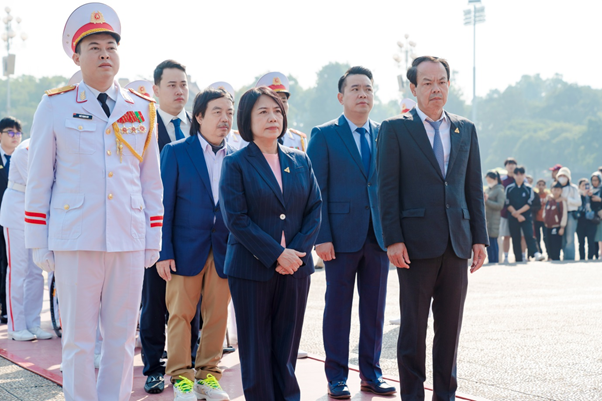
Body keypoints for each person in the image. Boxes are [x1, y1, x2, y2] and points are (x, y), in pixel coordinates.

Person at [25, 4, 163, 400]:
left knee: (121, 339)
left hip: (128, 236)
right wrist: (39, 239)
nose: (105, 54)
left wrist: (152, 236)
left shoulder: (142, 108)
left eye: (111, 47)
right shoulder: (55, 104)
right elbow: (40, 179)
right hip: (75, 238)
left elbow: (150, 181)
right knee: (79, 340)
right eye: (95, 47)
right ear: (76, 56)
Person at [377, 56, 488, 401]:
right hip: (414, 246)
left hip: (457, 243)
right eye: (427, 83)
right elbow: (386, 188)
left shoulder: (465, 128)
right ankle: (412, 396)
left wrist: (480, 239)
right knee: (412, 329)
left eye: (441, 81)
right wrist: (393, 239)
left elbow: (472, 187)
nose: (435, 88)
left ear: (449, 85)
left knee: (450, 330)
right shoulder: (395, 128)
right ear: (413, 88)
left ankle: (445, 395)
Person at [220, 86, 322, 401]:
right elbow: (236, 219)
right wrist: (277, 254)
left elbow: (315, 209)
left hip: (295, 270)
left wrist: (295, 255)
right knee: (255, 349)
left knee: (286, 346)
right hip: (251, 269)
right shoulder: (236, 163)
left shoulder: (300, 160)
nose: (272, 117)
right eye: (262, 112)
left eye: (277, 111)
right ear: (246, 120)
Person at [307, 66, 395, 399]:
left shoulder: (385, 133)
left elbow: (390, 187)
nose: (363, 94)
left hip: (378, 238)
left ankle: (372, 373)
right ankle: (336, 376)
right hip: (339, 240)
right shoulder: (325, 134)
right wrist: (321, 236)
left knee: (375, 311)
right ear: (341, 96)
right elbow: (316, 191)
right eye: (355, 89)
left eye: (368, 89)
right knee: (338, 309)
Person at [157, 88, 233, 401]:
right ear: (198, 116)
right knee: (180, 315)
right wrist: (164, 251)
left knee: (217, 315)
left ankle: (208, 375)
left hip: (225, 249)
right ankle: (181, 377)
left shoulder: (238, 155)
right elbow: (164, 205)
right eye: (217, 112)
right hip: (184, 248)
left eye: (229, 112)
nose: (225, 119)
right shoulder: (176, 152)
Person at [140, 59, 201, 395]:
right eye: (172, 85)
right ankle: (152, 367)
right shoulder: (144, 126)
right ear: (156, 90)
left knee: (191, 304)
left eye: (184, 85)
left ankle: (188, 365)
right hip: (154, 229)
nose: (179, 91)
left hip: (194, 232)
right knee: (154, 303)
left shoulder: (199, 125)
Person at [0, 138, 53, 341]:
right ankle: (16, 325)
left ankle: (33, 323)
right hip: (16, 213)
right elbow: (37, 184)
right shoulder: (25, 149)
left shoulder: (51, 146)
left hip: (37, 215)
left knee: (35, 271)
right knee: (19, 270)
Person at [0, 117, 22, 324]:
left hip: (12, 219)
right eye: (10, 132)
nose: (14, 137)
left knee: (9, 264)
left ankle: (7, 310)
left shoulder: (24, 157)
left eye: (18, 133)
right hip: (5, 216)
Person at [256, 72, 308, 151]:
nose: (280, 107)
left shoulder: (298, 140)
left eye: (283, 101)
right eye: (275, 101)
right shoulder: (249, 141)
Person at [505, 166, 545, 262]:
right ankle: (518, 258)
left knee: (529, 235)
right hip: (513, 216)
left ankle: (536, 253)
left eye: (521, 174)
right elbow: (507, 203)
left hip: (526, 216)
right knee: (515, 237)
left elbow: (529, 203)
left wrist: (519, 213)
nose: (519, 176)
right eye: (517, 174)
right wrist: (517, 215)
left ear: (524, 175)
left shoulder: (528, 188)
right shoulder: (509, 188)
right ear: (514, 175)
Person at [556, 167, 581, 260]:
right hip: (560, 214)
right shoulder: (557, 188)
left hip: (571, 214)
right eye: (560, 176)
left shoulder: (573, 188)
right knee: (562, 238)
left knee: (569, 238)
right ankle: (563, 255)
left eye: (564, 176)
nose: (562, 177)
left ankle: (569, 257)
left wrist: (567, 200)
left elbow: (578, 202)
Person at [484, 171, 505, 264]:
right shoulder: (489, 189)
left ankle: (495, 260)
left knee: (493, 240)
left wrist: (487, 201)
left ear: (496, 179)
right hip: (487, 219)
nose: (489, 182)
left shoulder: (499, 190)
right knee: (488, 241)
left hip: (494, 219)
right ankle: (490, 259)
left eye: (490, 180)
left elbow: (500, 205)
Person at [543, 182, 567, 261]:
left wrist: (562, 227)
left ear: (561, 191)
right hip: (547, 226)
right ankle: (549, 257)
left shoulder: (561, 201)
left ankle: (556, 257)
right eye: (554, 190)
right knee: (547, 241)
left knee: (555, 243)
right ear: (551, 190)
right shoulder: (549, 200)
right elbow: (545, 211)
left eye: (558, 190)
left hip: (556, 226)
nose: (556, 192)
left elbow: (564, 214)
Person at [576, 178, 597, 260]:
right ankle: (582, 257)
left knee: (591, 241)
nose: (585, 187)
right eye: (583, 185)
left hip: (591, 221)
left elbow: (596, 206)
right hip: (580, 220)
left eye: (587, 185)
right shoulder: (577, 196)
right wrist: (583, 196)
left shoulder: (593, 195)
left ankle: (590, 257)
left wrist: (591, 196)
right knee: (581, 241)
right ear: (579, 187)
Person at [534, 179, 549, 255]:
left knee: (546, 237)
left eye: (542, 185)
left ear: (545, 186)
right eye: (539, 185)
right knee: (537, 237)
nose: (541, 186)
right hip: (536, 219)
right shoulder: (535, 195)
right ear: (536, 186)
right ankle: (539, 252)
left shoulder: (548, 195)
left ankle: (548, 253)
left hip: (545, 220)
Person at [591, 172, 602, 258]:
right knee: (594, 236)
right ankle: (595, 253)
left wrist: (600, 200)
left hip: (601, 215)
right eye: (593, 180)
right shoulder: (590, 190)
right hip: (593, 216)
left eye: (596, 180)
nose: (594, 182)